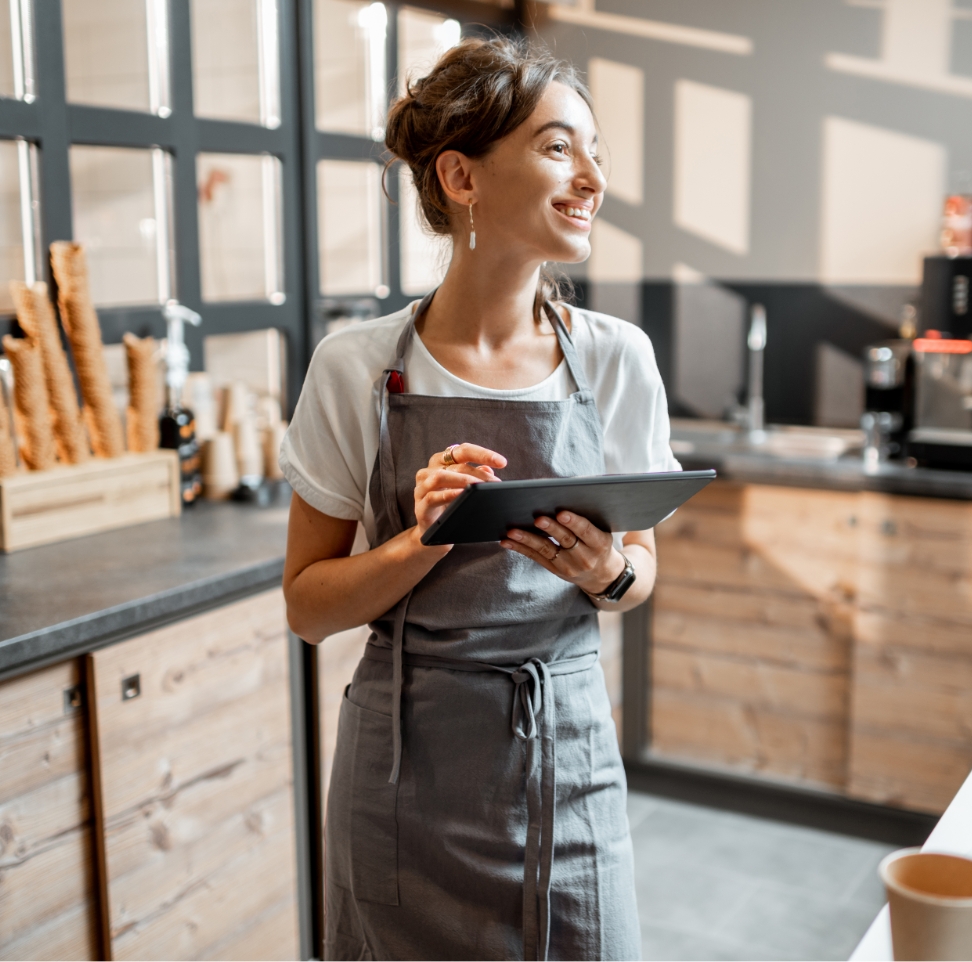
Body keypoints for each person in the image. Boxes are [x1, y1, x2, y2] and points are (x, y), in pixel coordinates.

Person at [281, 36, 678, 962]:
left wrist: (610, 572)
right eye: (555, 147)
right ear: (460, 175)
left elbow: (640, 575)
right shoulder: (357, 366)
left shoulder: (614, 359)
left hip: (565, 755)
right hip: (400, 771)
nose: (589, 177)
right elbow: (306, 608)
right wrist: (421, 540)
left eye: (592, 152)